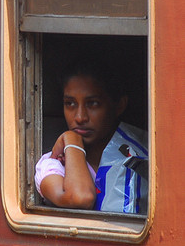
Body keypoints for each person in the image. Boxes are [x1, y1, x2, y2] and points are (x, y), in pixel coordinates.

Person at [35, 59, 148, 214]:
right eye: (70, 103)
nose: (80, 117)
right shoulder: (54, 164)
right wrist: (72, 141)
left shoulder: (140, 155)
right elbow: (81, 198)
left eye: (93, 103)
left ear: (119, 105)